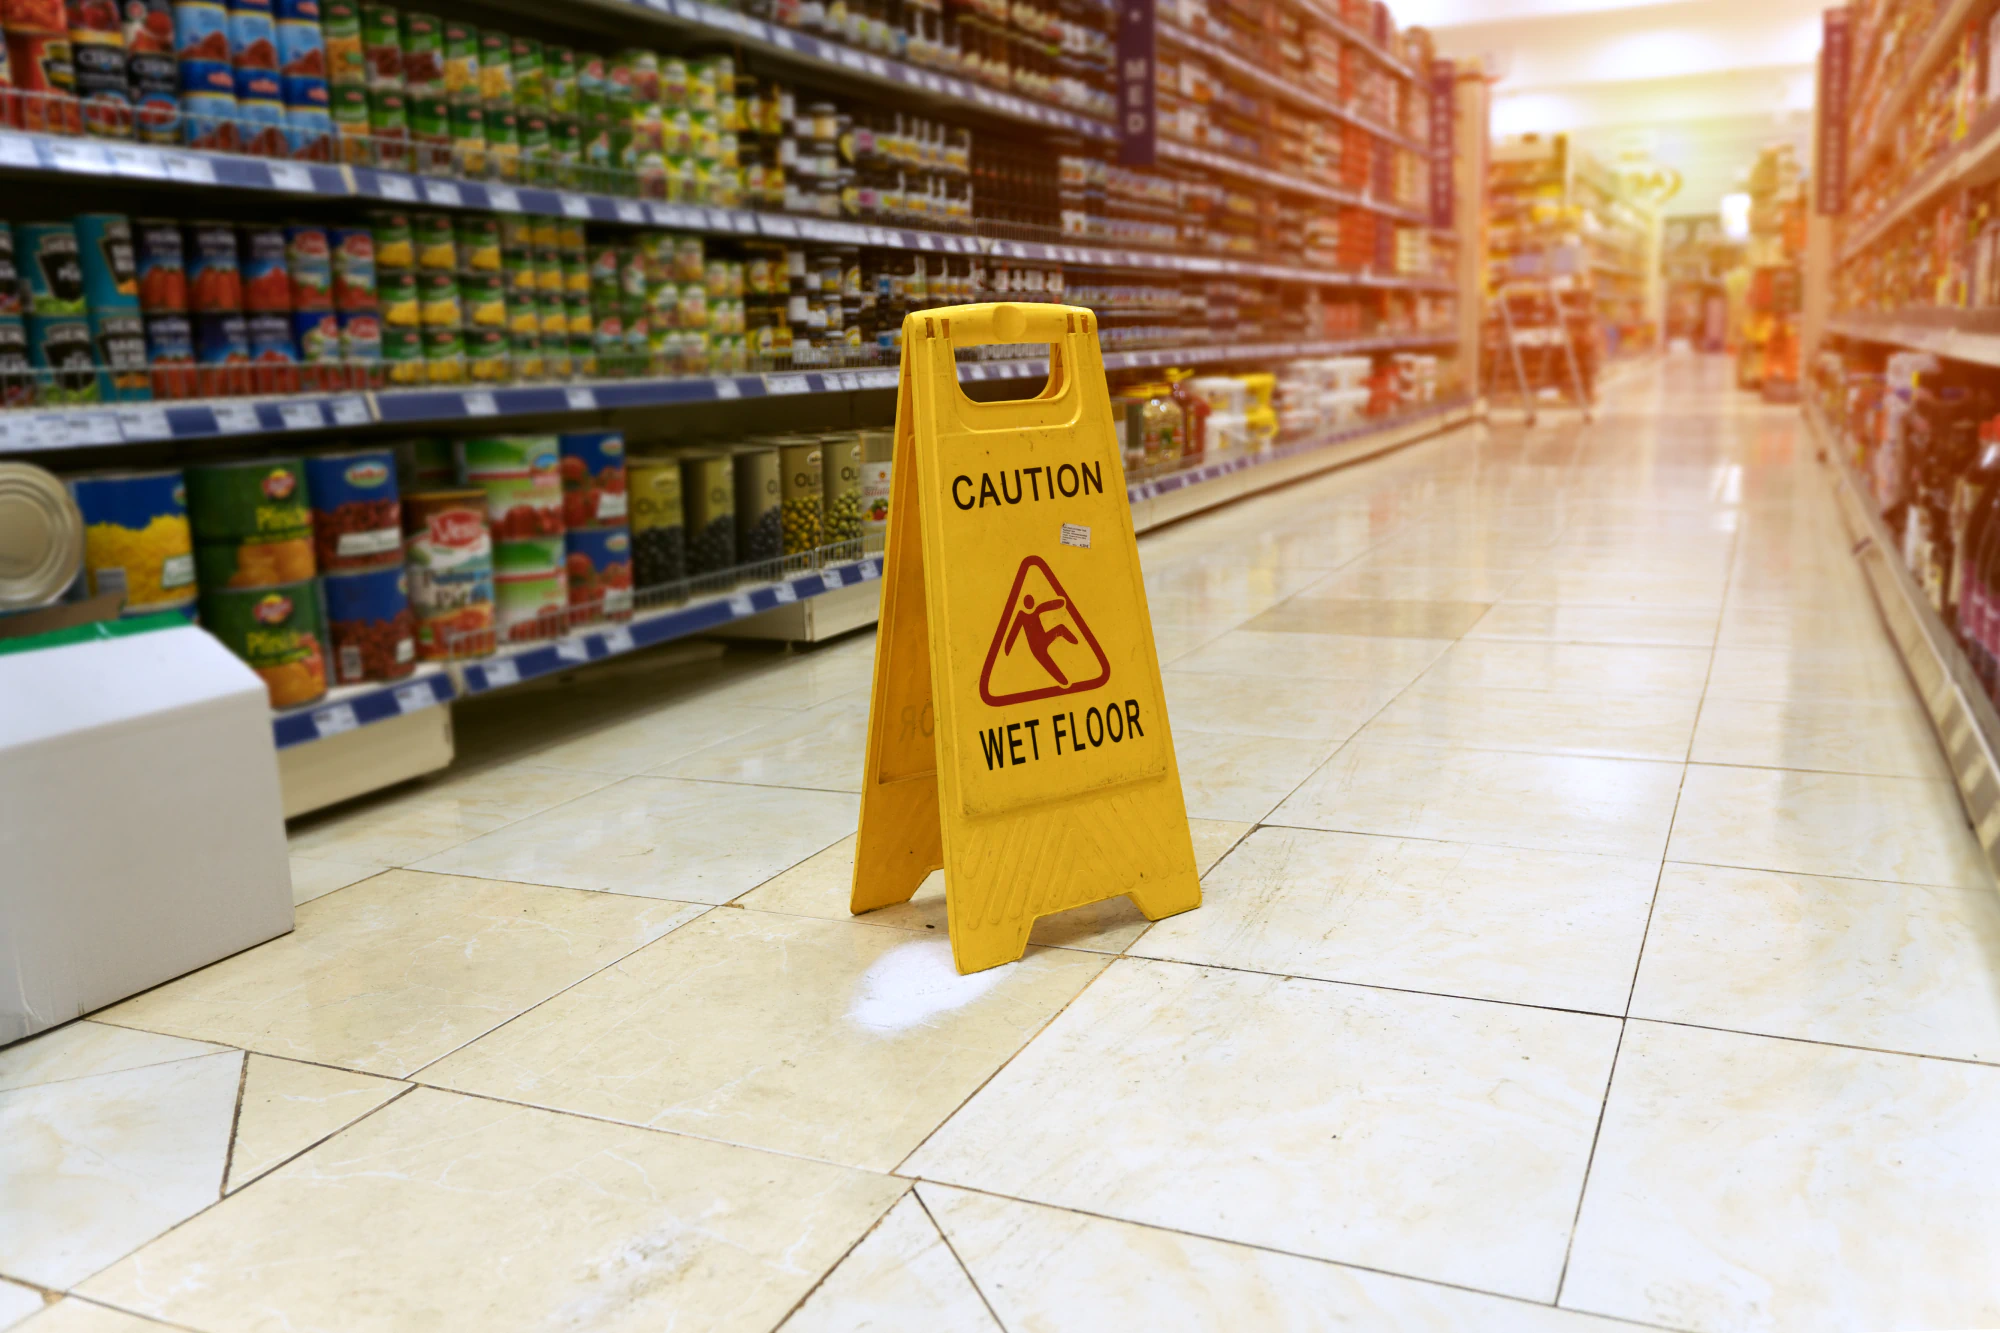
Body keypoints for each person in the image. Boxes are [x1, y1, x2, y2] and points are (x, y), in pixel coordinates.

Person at [1004, 593, 1078, 687]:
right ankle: (1064, 681)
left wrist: (1061, 603)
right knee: (1049, 665)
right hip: (1036, 648)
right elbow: (1013, 632)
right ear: (1025, 604)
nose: (1031, 603)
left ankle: (1076, 643)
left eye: (1031, 601)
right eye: (1028, 602)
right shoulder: (1021, 615)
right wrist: (1008, 647)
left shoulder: (1036, 610)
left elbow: (1046, 606)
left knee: (1060, 629)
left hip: (1044, 638)